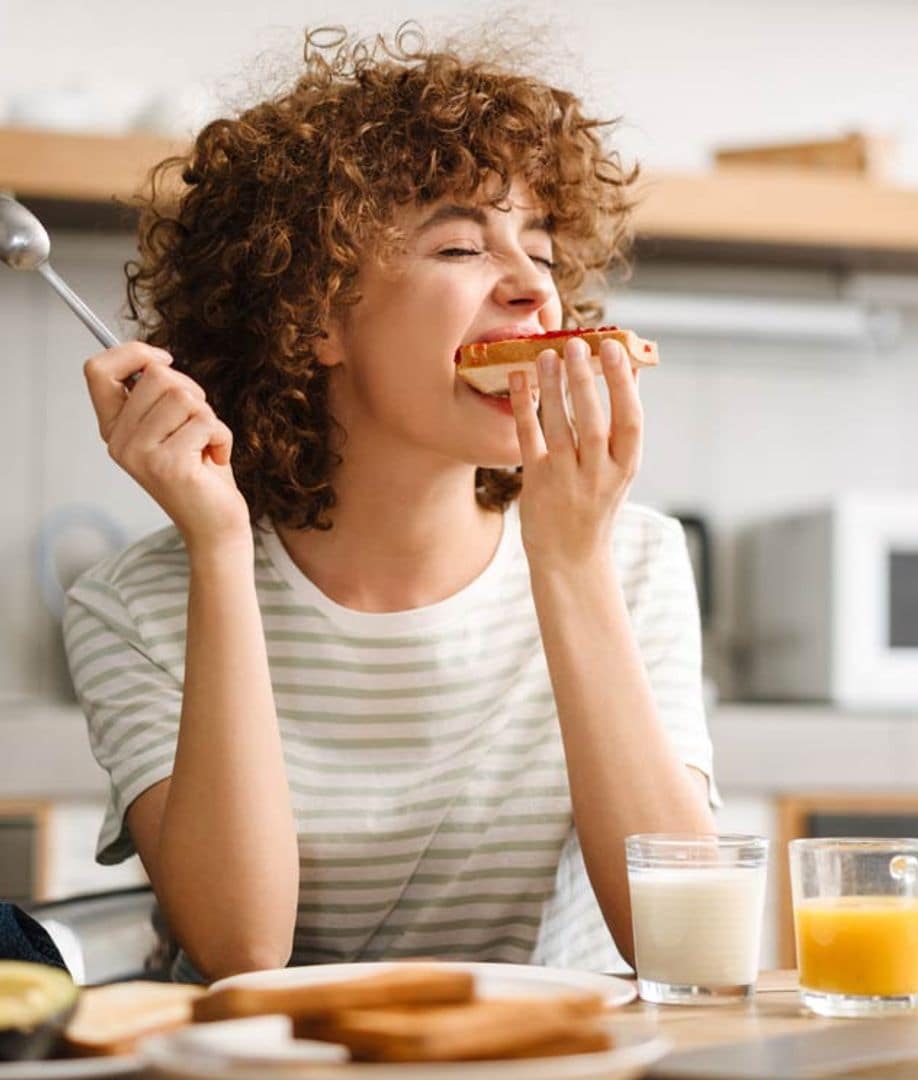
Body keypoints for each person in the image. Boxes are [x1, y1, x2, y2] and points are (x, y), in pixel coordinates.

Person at [63, 24, 718, 985]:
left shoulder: (632, 559)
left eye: (539, 248)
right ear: (314, 314)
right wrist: (216, 547)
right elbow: (244, 949)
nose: (534, 285)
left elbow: (689, 949)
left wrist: (572, 563)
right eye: (461, 245)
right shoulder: (138, 605)